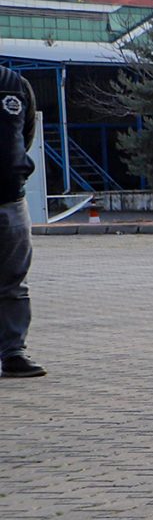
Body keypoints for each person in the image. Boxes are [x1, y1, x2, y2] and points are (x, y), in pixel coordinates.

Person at [1, 65, 41, 379]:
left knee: (14, 281)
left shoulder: (16, 85)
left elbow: (24, 136)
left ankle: (14, 353)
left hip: (10, 199)